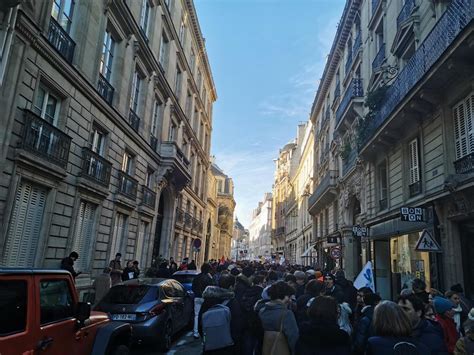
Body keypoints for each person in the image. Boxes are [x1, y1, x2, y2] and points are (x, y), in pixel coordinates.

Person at [198, 274, 244, 354]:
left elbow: (201, 323)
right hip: (228, 347)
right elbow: (237, 327)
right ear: (230, 287)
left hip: (210, 346)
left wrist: (207, 339)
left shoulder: (208, 300)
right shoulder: (233, 302)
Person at [258, 281, 299, 354]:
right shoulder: (287, 314)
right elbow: (293, 337)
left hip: (265, 348)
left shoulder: (261, 310)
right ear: (284, 295)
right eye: (289, 296)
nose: (290, 300)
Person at [192, 263, 215, 339]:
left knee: (196, 315)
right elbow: (212, 287)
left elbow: (193, 287)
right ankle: (205, 331)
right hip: (205, 298)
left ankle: (195, 332)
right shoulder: (208, 278)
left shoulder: (197, 277)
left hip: (197, 297)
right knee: (206, 315)